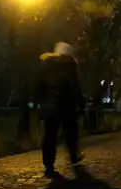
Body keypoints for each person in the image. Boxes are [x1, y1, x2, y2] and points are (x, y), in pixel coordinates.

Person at [34, 41, 85, 177]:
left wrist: (39, 101)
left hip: (49, 106)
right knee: (70, 133)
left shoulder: (45, 65)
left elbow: (39, 85)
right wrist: (81, 105)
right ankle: (74, 156)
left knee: (50, 135)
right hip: (66, 105)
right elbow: (75, 87)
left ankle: (48, 163)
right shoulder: (70, 65)